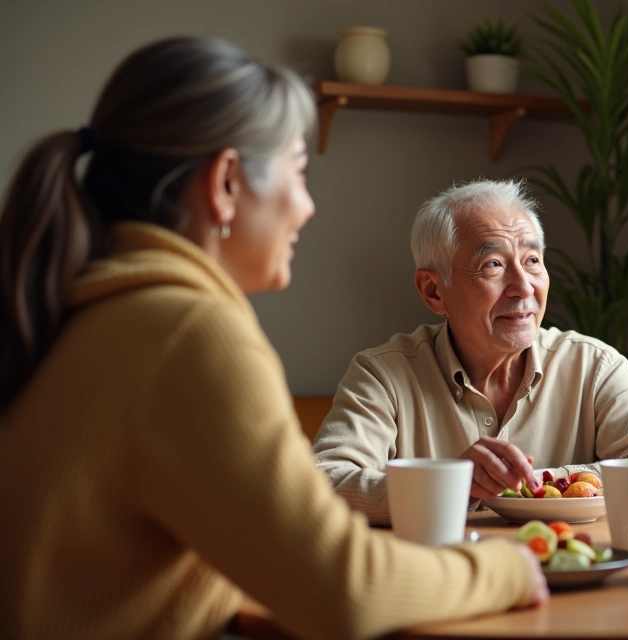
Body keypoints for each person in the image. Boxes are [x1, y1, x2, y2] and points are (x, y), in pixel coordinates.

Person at [0, 37, 545, 640]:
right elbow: (344, 591)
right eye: (298, 169)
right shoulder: (188, 333)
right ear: (227, 182)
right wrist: (508, 568)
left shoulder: (88, 310)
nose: (307, 206)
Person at [312, 179, 628, 524]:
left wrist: (539, 483)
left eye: (532, 261)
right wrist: (451, 483)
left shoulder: (595, 366)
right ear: (433, 290)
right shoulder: (383, 374)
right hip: (444, 580)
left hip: (575, 571)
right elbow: (322, 484)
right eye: (493, 265)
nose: (523, 287)